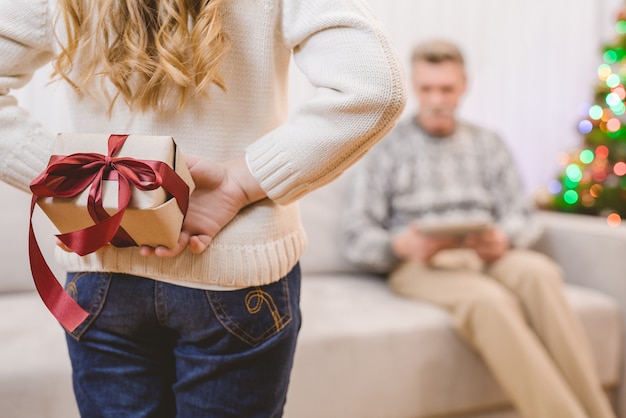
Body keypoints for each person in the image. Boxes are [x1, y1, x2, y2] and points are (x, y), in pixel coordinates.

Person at [0, 0, 407, 416]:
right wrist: (242, 181)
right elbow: (378, 87)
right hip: (235, 275)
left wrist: (91, 185)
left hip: (102, 267)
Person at [341, 39, 615, 418]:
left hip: (487, 253)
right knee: (488, 302)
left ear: (463, 87)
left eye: (447, 88)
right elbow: (356, 237)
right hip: (424, 265)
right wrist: (402, 245)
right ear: (415, 88)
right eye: (427, 89)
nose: (437, 99)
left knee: (540, 273)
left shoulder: (488, 143)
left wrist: (504, 237)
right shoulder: (386, 149)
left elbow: (523, 214)